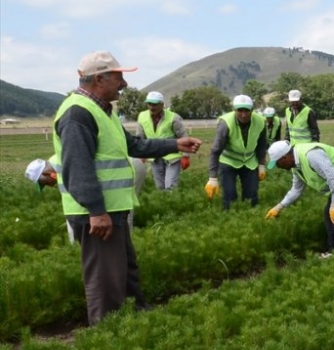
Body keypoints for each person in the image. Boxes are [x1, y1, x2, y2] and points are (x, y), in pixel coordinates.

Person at [54, 50, 202, 324]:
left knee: (124, 271)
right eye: (119, 77)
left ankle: (138, 321)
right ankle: (110, 336)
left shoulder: (102, 111)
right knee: (105, 280)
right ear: (100, 79)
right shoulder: (78, 114)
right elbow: (79, 167)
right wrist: (96, 211)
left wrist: (174, 144)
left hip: (113, 209)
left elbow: (133, 145)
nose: (124, 84)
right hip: (97, 214)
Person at [264, 140, 334, 256]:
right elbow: (296, 189)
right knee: (328, 215)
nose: (278, 167)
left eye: (277, 163)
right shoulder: (296, 166)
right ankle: (333, 250)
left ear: (284, 158)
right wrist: (279, 207)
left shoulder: (311, 156)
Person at [206, 95, 269, 210]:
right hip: (228, 162)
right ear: (234, 110)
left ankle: (251, 219)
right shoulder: (225, 123)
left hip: (249, 162)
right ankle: (230, 219)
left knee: (252, 196)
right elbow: (215, 151)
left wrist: (261, 164)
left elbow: (261, 144)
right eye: (240, 111)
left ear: (252, 110)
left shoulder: (260, 121)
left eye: (247, 111)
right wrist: (212, 178)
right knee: (230, 195)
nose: (243, 115)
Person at [135, 91, 190, 190]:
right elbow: (139, 137)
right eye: (149, 104)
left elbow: (183, 136)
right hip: (155, 157)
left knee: (170, 187)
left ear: (162, 104)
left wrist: (185, 156)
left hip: (172, 157)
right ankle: (163, 205)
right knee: (160, 187)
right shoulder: (142, 117)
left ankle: (172, 205)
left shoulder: (174, 118)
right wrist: (141, 154)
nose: (152, 107)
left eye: (155, 104)